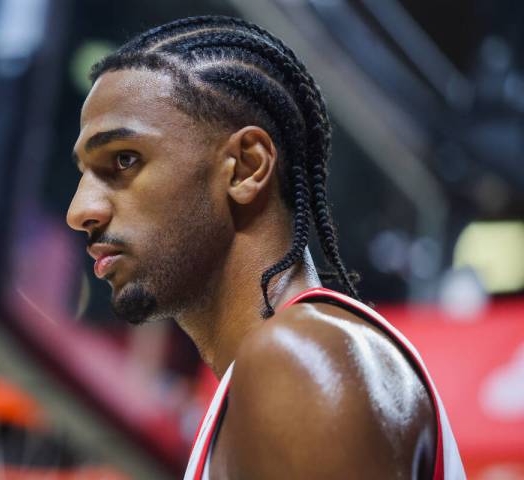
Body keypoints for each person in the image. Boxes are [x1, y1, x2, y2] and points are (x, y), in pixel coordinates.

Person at [66, 15, 465, 480]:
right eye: (83, 174)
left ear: (246, 168)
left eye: (124, 160)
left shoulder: (300, 360)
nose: (80, 210)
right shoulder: (283, 367)